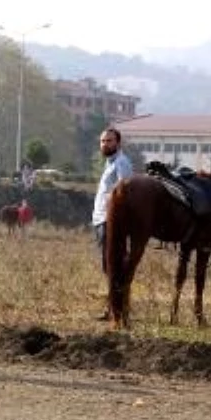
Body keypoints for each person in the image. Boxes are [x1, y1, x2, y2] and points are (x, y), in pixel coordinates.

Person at [93, 127, 133, 319]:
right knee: (108, 266)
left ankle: (118, 309)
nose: (105, 144)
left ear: (118, 143)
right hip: (101, 219)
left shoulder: (121, 163)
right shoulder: (110, 163)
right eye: (102, 141)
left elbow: (123, 195)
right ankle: (113, 307)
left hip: (111, 222)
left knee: (114, 265)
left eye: (109, 141)